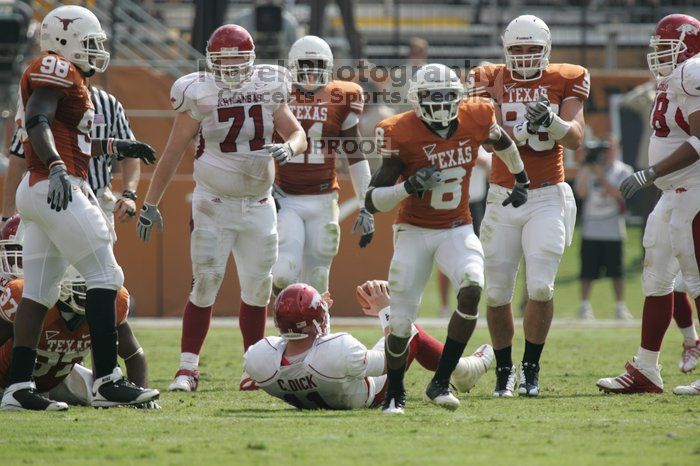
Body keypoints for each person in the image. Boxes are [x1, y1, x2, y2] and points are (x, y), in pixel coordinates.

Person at [0, 5, 158, 411]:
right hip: (55, 185)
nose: (95, 51)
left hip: (44, 188)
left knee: (38, 292)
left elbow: (71, 140)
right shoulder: (55, 67)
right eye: (89, 43)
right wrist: (54, 167)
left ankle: (17, 389)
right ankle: (107, 379)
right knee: (105, 273)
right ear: (64, 42)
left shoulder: (74, 82)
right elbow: (38, 119)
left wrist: (116, 147)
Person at [135, 24, 307, 393]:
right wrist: (150, 202)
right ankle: (187, 369)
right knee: (205, 282)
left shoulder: (268, 85)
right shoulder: (198, 92)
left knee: (258, 288)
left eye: (237, 58)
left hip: (260, 203)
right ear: (210, 60)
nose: (229, 66)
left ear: (251, 59)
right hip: (213, 202)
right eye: (222, 59)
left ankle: (254, 368)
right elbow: (173, 150)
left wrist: (289, 148)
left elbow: (297, 132)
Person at [365, 63, 529, 413]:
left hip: (456, 227)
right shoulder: (402, 131)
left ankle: (439, 381)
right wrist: (409, 185)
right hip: (413, 230)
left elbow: (503, 142)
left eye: (446, 96)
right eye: (432, 97)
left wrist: (521, 178)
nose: (440, 103)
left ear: (458, 98)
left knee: (472, 288)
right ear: (416, 100)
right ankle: (395, 393)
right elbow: (372, 199)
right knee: (401, 321)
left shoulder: (477, 116)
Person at [468, 15, 588, 397]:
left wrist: (551, 122)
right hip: (503, 195)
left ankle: (530, 369)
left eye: (532, 49)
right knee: (497, 293)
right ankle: (504, 371)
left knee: (540, 286)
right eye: (517, 49)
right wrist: (517, 131)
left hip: (547, 195)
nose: (523, 57)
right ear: (506, 50)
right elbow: (487, 139)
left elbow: (576, 139)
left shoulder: (566, 77)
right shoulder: (488, 76)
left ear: (546, 50)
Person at [596, 14, 700, 396]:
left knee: (696, 279)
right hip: (672, 194)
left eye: (666, 47)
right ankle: (646, 369)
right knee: (656, 278)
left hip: (693, 189)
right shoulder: (673, 78)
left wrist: (649, 173)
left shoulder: (693, 71)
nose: (658, 54)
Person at [244, 280, 494, 410]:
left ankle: (461, 370)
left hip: (324, 389)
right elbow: (391, 357)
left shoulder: (260, 359)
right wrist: (385, 310)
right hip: (371, 392)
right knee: (410, 332)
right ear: (314, 321)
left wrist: (315, 314)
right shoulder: (338, 350)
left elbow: (303, 344)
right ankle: (463, 370)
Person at [0, 217, 157, 408]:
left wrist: (141, 396)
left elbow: (133, 355)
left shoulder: (112, 302)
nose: (86, 296)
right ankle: (19, 390)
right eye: (80, 288)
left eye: (89, 289)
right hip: (7, 381)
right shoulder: (25, 296)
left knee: (104, 387)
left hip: (57, 380)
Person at [272, 35, 373, 296]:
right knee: (284, 273)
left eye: (317, 64)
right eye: (305, 64)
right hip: (286, 197)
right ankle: (287, 331)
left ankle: (318, 334)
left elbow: (354, 152)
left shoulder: (342, 95)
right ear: (293, 65)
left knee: (318, 277)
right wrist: (264, 185)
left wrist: (366, 203)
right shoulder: (277, 92)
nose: (311, 70)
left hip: (324, 197)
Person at [3, 85, 141, 227]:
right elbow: (18, 158)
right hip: (51, 199)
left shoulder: (108, 103)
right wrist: (7, 217)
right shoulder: (42, 100)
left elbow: (129, 154)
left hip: (96, 198)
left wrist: (129, 194)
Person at [574, 135, 633, 320]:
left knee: (617, 272)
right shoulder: (588, 169)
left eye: (610, 148)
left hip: (613, 229)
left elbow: (619, 194)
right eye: (604, 149)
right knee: (587, 272)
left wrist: (600, 175)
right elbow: (581, 193)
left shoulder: (623, 171)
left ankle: (620, 306)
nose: (607, 153)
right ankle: (584, 306)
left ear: (617, 149)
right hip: (591, 229)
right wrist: (588, 169)